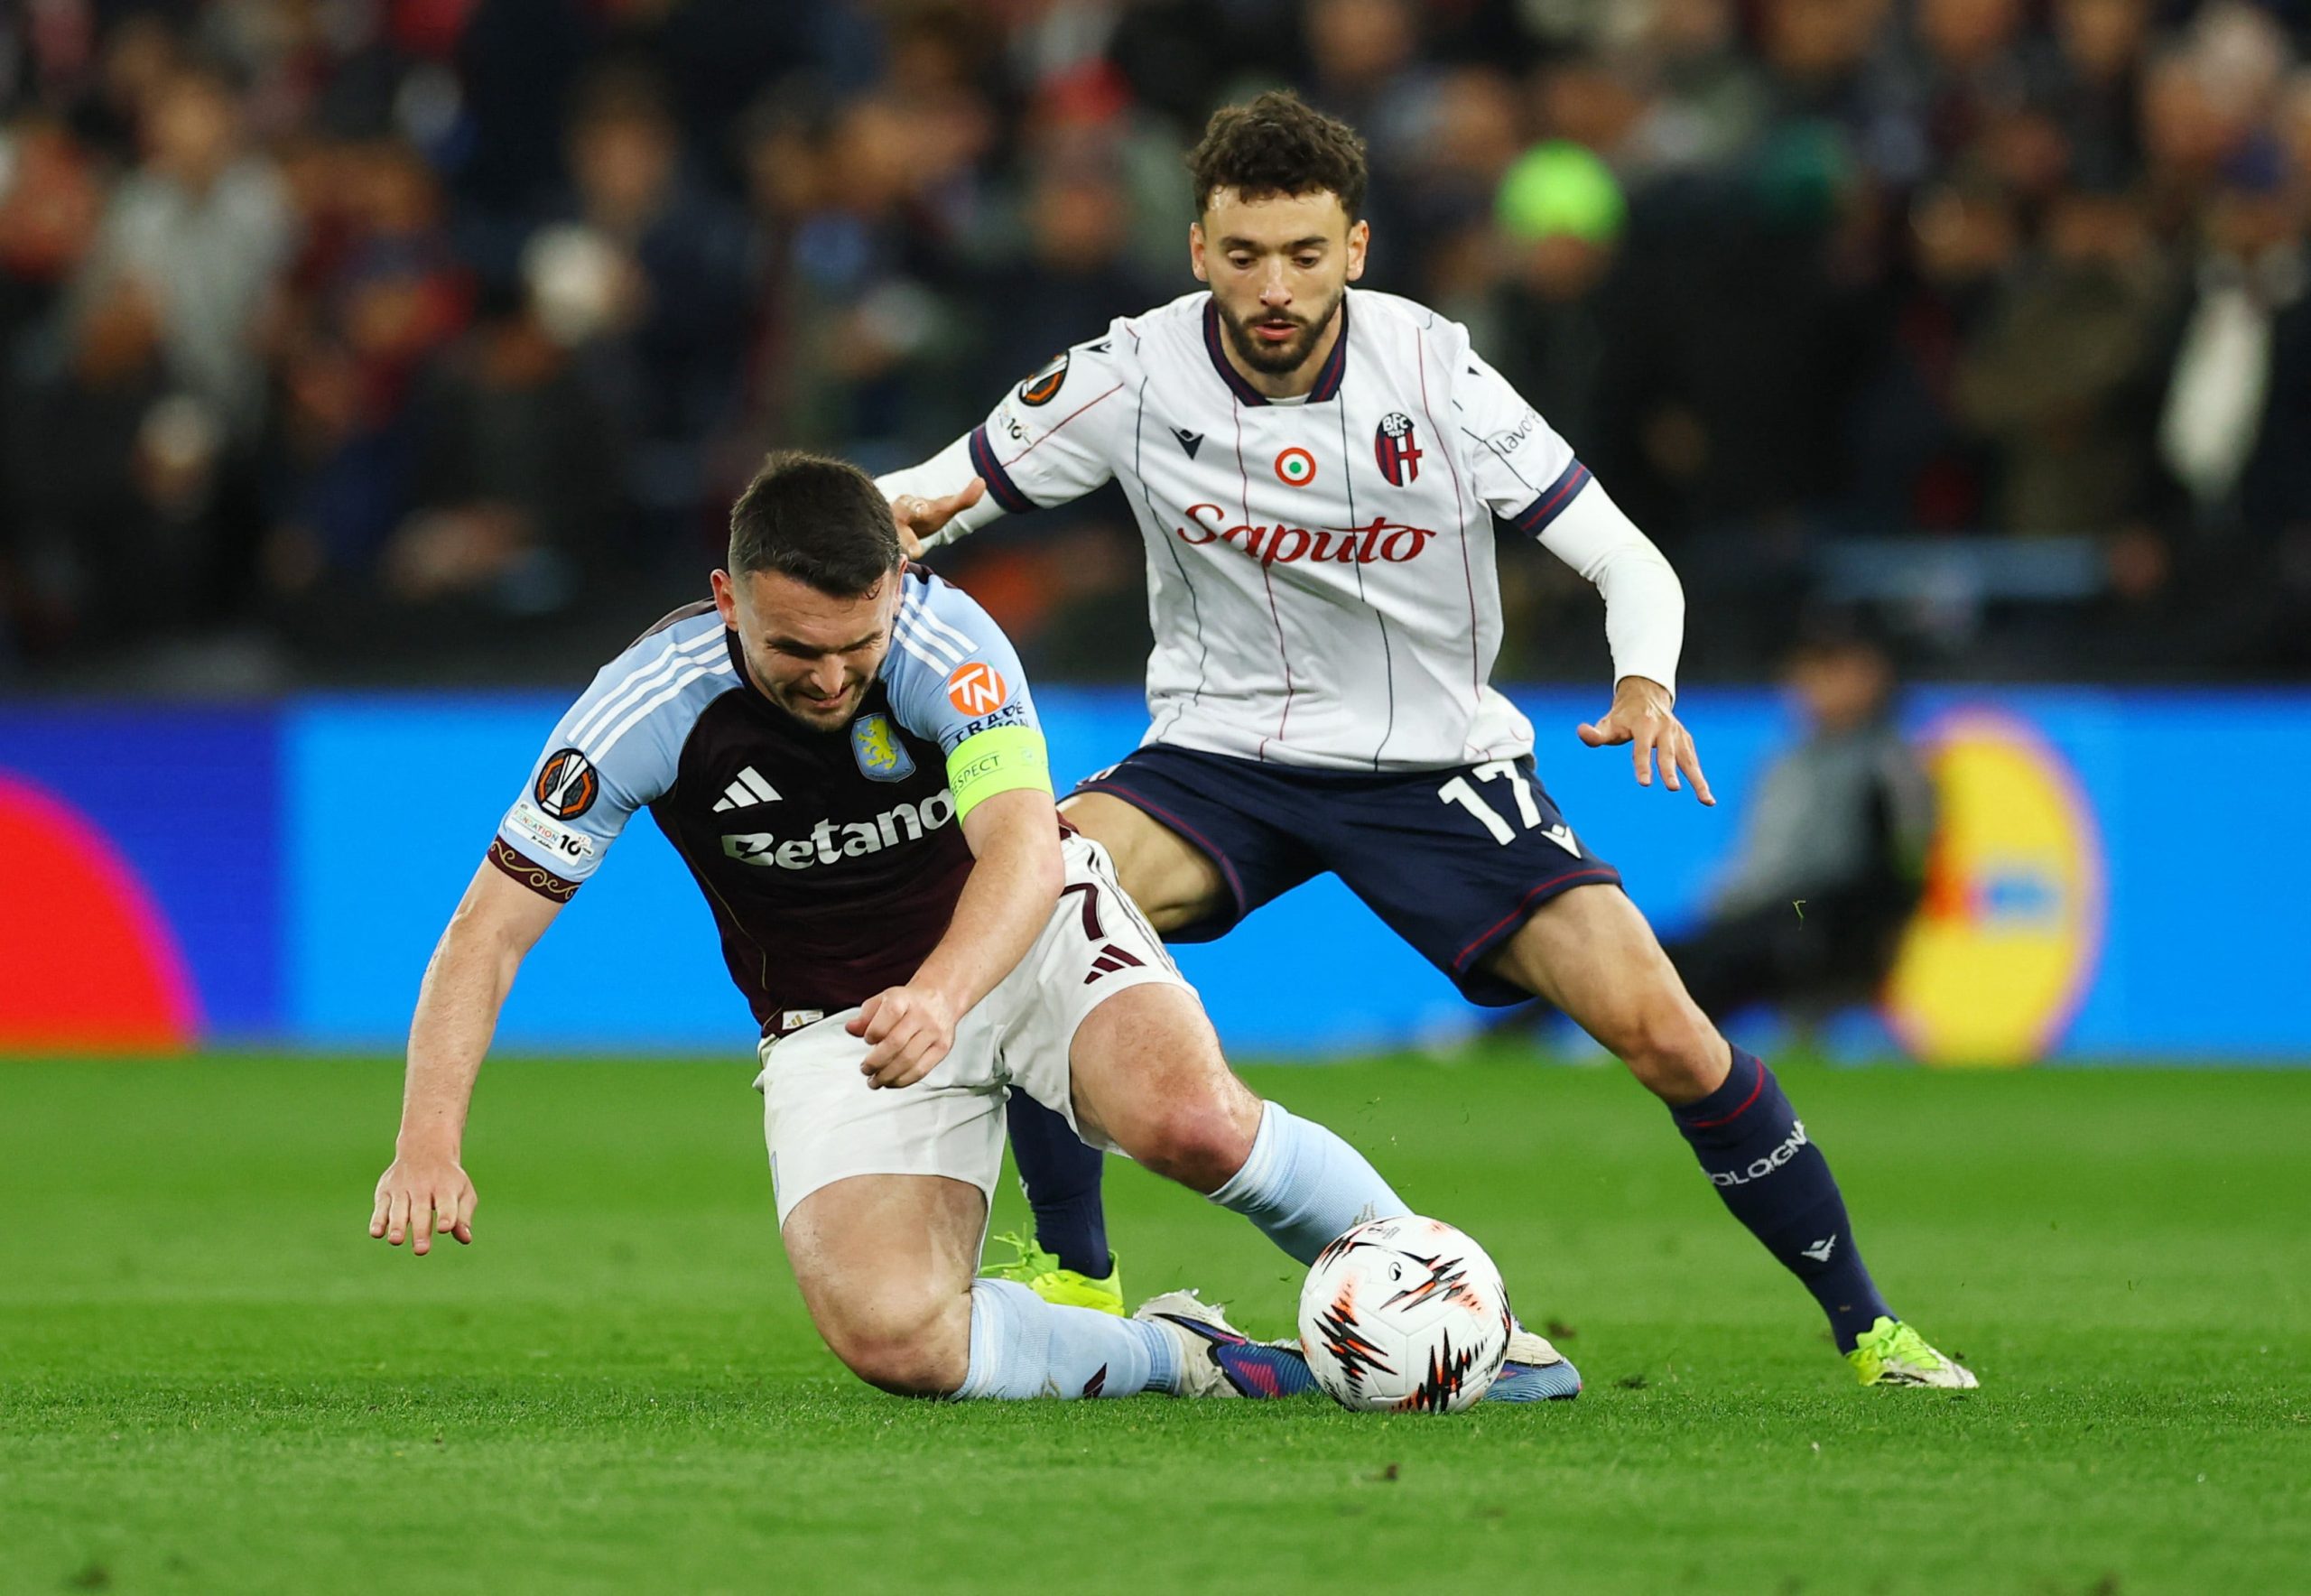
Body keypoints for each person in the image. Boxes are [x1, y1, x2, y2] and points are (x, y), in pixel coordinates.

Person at [877, 92, 1974, 1388]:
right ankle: (1078, 1269)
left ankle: (1871, 1330)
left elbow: (1627, 558)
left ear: (1354, 247)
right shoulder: (1124, 374)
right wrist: (814, 574)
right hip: (1220, 758)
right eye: (1242, 255)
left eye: (1301, 254)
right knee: (1031, 903)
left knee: (1667, 1033)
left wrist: (1646, 679)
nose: (1271, 286)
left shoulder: (1437, 374)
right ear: (1196, 252)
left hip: (1437, 764)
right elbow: (914, 505)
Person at [366, 450, 1577, 1406]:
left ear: (895, 590)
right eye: (795, 650)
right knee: (897, 1339)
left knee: (1193, 1122)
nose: (834, 679)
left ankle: (1469, 1323)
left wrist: (945, 994)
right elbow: (487, 932)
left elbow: (1022, 849)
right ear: (728, 599)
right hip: (841, 1019)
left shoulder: (951, 641)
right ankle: (1188, 1356)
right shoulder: (646, 704)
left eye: (859, 643)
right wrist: (429, 1141)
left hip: (1024, 935)